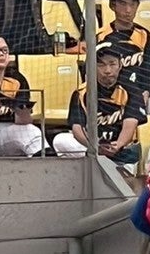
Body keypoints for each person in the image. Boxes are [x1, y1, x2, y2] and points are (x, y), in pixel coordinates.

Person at [52, 42, 144, 173]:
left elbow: (130, 123)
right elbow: (77, 128)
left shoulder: (132, 91)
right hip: (93, 147)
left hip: (122, 150)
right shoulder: (81, 93)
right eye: (101, 65)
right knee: (60, 140)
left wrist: (118, 145)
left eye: (112, 64)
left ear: (120, 65)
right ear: (93, 67)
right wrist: (94, 146)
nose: (107, 70)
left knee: (121, 171)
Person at [98, 0, 150, 112]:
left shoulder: (144, 35)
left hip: (139, 93)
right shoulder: (101, 36)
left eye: (133, 4)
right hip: (111, 95)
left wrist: (144, 94)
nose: (128, 10)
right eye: (123, 4)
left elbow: (148, 70)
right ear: (113, 6)